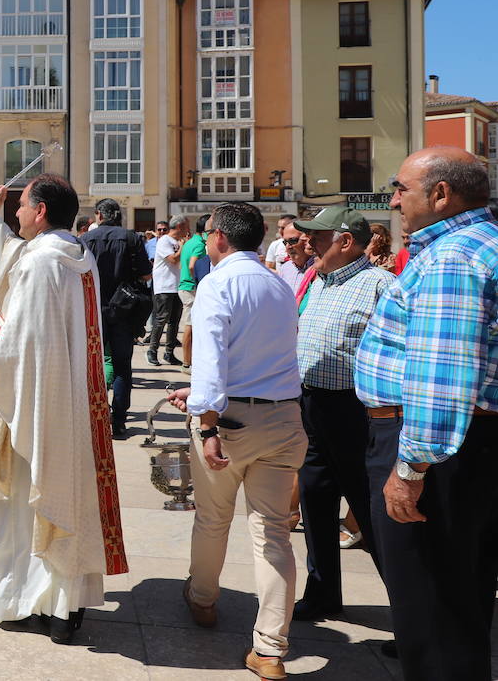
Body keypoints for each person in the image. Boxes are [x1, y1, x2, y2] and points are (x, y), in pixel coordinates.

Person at [0, 174, 128, 645]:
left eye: (20, 207)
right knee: (69, 498)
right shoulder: (79, 256)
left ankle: (23, 603)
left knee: (22, 509)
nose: (15, 212)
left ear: (39, 211)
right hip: (75, 399)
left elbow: (19, 347)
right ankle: (65, 609)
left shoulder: (40, 265)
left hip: (36, 406)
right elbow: (12, 256)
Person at [354, 146, 498, 680]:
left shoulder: (452, 257)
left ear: (441, 195)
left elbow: (442, 373)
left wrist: (411, 468)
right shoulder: (474, 246)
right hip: (462, 445)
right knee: (458, 601)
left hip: (433, 448)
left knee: (434, 609)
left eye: (400, 190)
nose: (392, 202)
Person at [167, 202, 306, 681]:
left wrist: (206, 424)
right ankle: (269, 648)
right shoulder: (278, 283)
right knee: (273, 532)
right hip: (283, 416)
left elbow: (208, 359)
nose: (206, 240)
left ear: (221, 237)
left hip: (232, 420)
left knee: (213, 518)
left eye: (208, 233)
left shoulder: (217, 282)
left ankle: (203, 598)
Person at [290, 207, 393, 625]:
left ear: (345, 242)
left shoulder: (380, 285)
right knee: (315, 501)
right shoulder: (319, 281)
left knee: (373, 515)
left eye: (316, 237)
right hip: (313, 407)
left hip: (357, 414)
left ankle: (410, 615)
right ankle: (322, 593)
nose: (306, 243)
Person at [80, 198, 153, 438]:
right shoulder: (132, 238)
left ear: (99, 215)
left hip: (93, 311)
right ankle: (119, 420)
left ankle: (93, 416)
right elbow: (145, 275)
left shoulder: (85, 240)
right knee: (122, 367)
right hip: (123, 311)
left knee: (92, 365)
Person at [148, 216, 187, 366]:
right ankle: (152, 351)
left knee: (174, 321)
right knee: (161, 319)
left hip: (177, 286)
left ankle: (169, 353)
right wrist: (183, 247)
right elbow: (173, 259)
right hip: (164, 285)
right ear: (179, 226)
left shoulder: (177, 242)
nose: (187, 230)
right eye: (186, 226)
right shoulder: (164, 241)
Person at [175, 214, 211, 372]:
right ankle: (186, 363)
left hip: (185, 285)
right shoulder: (199, 244)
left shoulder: (190, 242)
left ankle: (189, 361)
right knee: (190, 325)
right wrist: (199, 282)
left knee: (192, 324)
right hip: (191, 288)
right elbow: (192, 265)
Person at [274, 221, 313, 297]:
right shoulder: (285, 269)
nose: (288, 246)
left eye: (293, 241)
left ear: (307, 240)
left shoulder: (320, 269)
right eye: (285, 242)